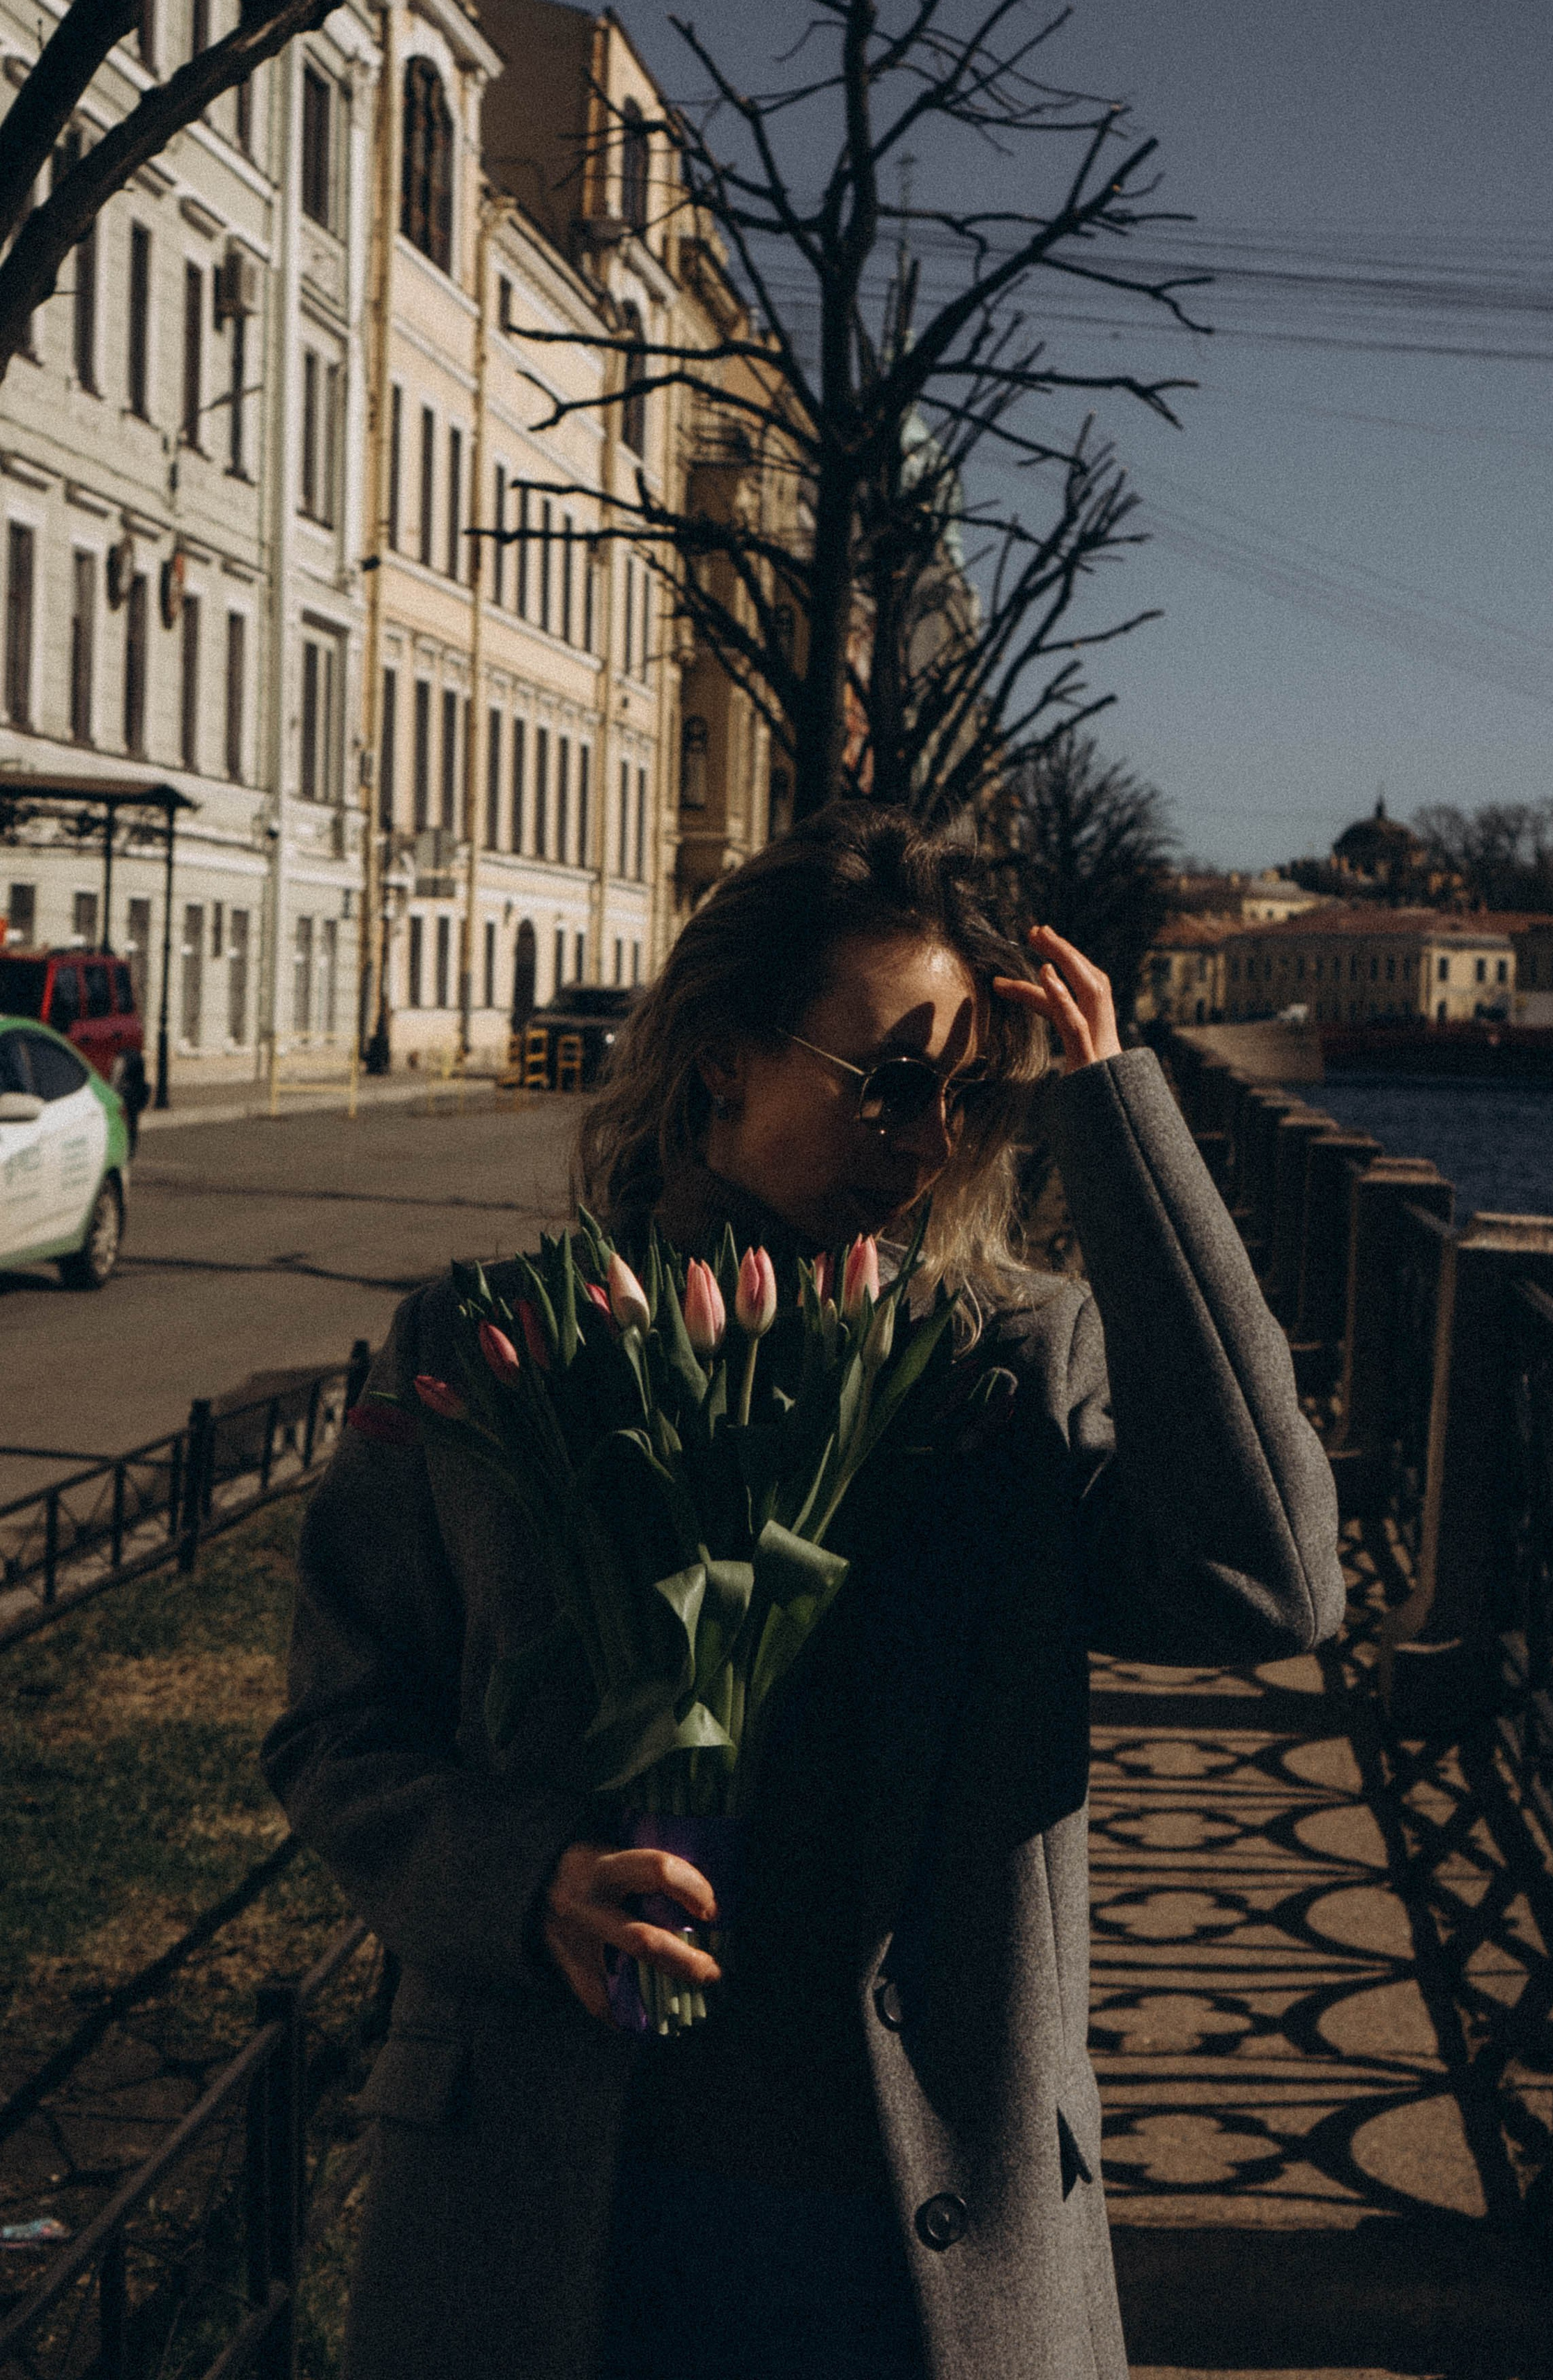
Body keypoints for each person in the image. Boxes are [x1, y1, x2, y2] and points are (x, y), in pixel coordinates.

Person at [263, 804, 1344, 2380]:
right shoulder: (493, 1346)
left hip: (918, 2236)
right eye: (890, 1085)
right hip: (547, 2206)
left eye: (970, 1101)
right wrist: (524, 1880)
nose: (926, 1145)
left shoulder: (1005, 1374)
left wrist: (1114, 1118)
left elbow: (1270, 1579)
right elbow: (337, 1733)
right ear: (721, 1058)